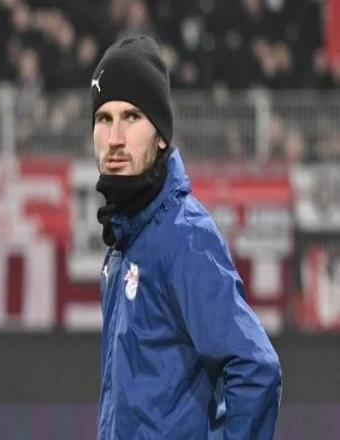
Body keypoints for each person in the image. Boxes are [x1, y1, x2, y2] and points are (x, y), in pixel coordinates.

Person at [90, 34, 282, 439]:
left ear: (161, 134)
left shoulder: (184, 237)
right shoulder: (124, 242)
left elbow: (256, 370)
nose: (115, 138)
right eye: (104, 119)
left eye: (132, 117)